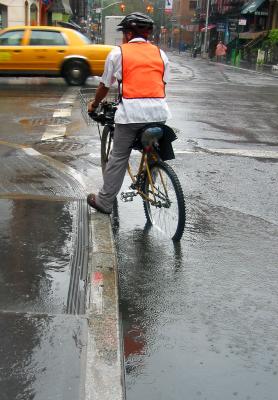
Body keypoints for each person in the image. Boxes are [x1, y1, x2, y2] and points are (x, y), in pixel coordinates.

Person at [87, 12, 171, 214]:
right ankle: (152, 168)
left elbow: (105, 85)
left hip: (131, 115)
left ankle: (104, 202)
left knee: (118, 157)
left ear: (129, 33)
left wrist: (94, 104)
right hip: (160, 114)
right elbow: (162, 84)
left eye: (124, 31)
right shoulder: (161, 54)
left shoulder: (118, 53)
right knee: (151, 147)